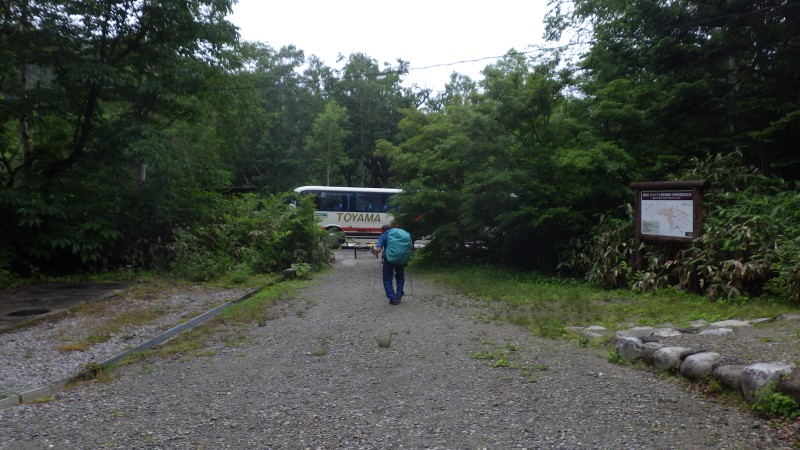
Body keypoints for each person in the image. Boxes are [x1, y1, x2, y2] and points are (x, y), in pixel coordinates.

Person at [371, 224, 410, 305]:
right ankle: (399, 294)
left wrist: (374, 252)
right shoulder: (401, 235)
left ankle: (393, 298)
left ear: (383, 230)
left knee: (387, 279)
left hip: (388, 260)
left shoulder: (384, 235)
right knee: (400, 276)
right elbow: (410, 247)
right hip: (401, 259)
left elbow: (378, 249)